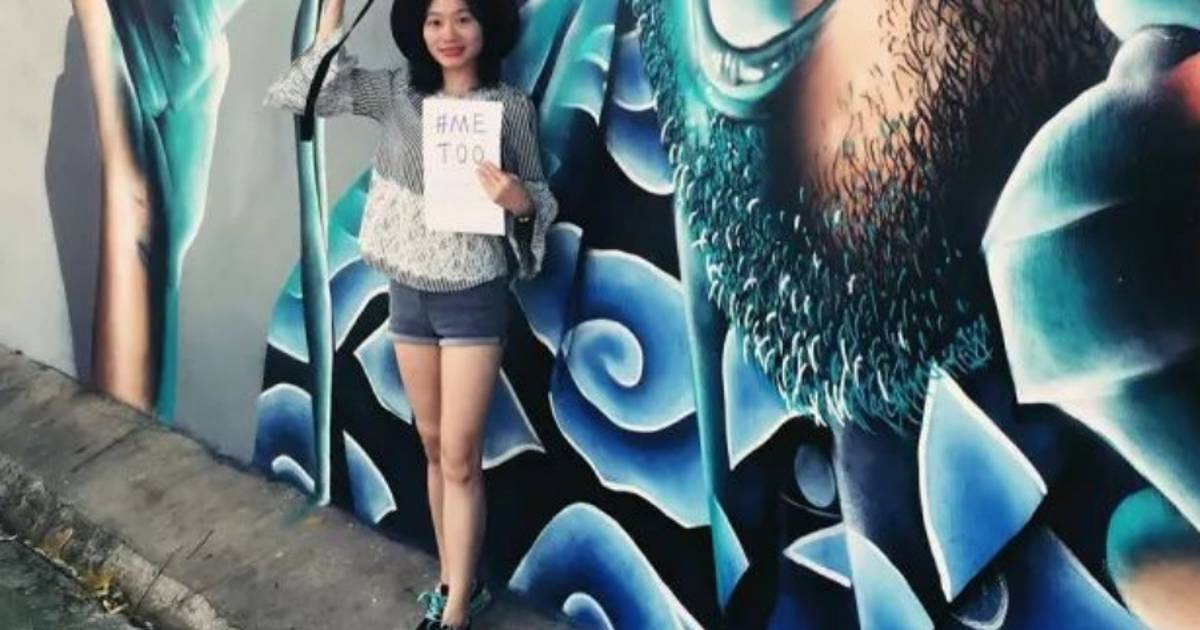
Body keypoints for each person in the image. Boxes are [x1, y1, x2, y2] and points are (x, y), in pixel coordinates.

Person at [264, 0, 558, 627]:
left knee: (460, 454)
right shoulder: (399, 92)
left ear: (487, 25)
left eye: (463, 18)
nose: (448, 33)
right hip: (407, 294)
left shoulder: (509, 108)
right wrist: (333, 11)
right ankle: (452, 580)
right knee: (432, 445)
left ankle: (455, 611)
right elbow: (311, 91)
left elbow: (539, 199)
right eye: (434, 20)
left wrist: (518, 200)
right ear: (417, 29)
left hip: (472, 298)